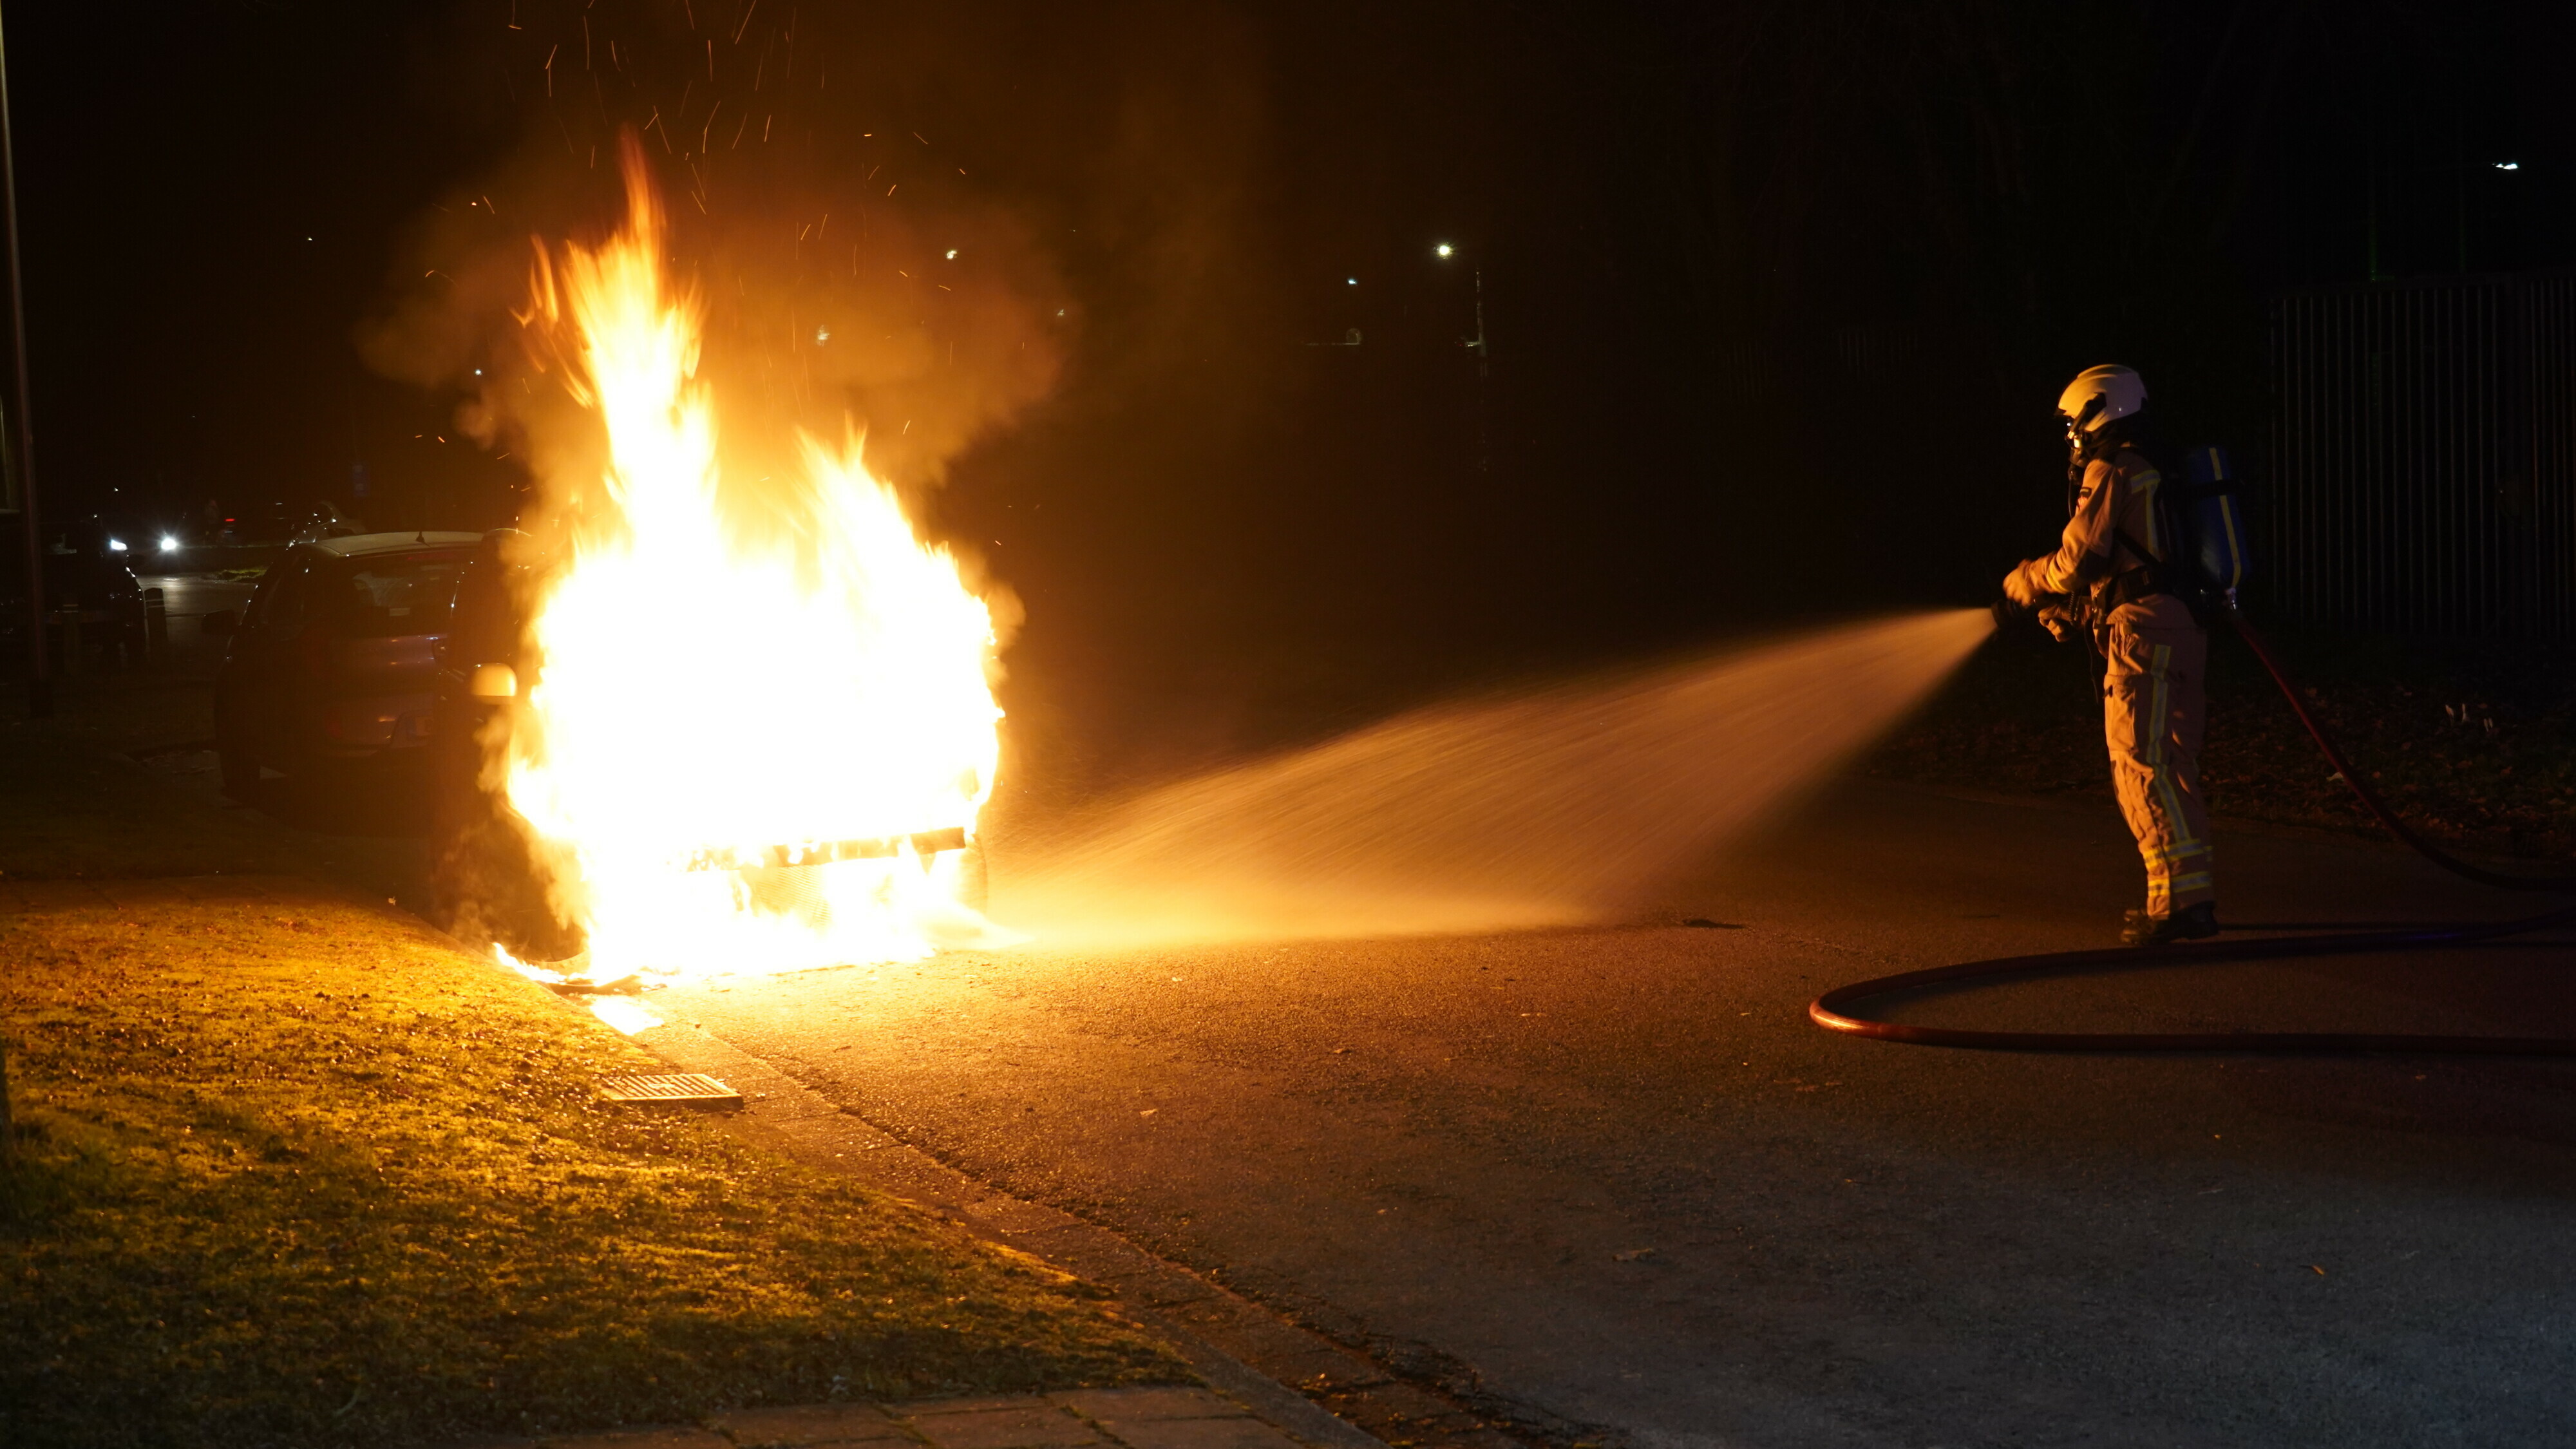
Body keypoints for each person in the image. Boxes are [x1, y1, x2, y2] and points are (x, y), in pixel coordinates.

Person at [2002, 365, 2217, 945]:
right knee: (2171, 766)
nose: (2072, 435)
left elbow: (2078, 559)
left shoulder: (2113, 469)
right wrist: (2076, 614)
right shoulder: (2154, 470)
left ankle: (2172, 908)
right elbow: (2137, 565)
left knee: (2138, 765)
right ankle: (2191, 897)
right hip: (2181, 629)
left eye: (2073, 422)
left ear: (2099, 410)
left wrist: (2029, 580)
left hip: (2141, 637)